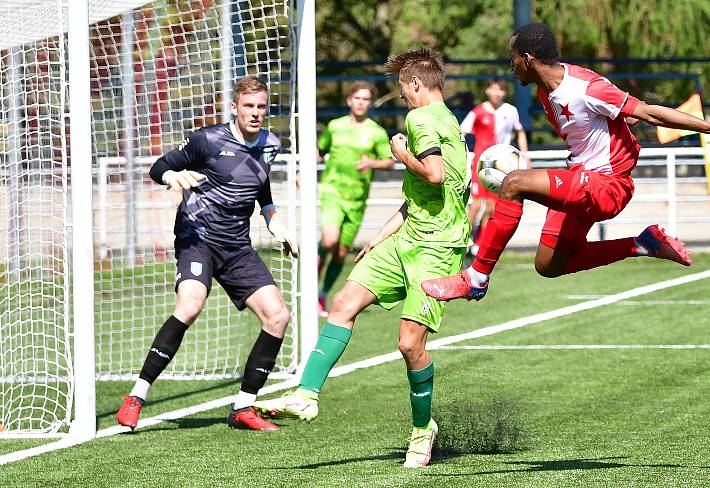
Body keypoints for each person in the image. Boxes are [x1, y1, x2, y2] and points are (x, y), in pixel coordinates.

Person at [422, 23, 710, 302]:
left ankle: (476, 278)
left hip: (607, 185)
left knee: (514, 183)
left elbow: (647, 113)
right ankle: (642, 243)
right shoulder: (544, 90)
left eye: (513, 59)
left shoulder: (586, 87)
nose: (511, 67)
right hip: (582, 178)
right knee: (548, 265)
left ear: (528, 58)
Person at [253, 47, 470, 468]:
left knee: (409, 344)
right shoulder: (450, 123)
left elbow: (434, 174)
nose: (404, 99)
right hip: (407, 237)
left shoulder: (421, 119)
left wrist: (399, 151)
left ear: (415, 85)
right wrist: (380, 235)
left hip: (437, 249)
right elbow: (424, 197)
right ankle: (306, 394)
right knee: (343, 302)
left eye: (404, 91)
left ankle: (423, 428)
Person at [114, 76, 298, 433]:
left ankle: (244, 407)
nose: (256, 113)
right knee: (190, 305)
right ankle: (136, 397)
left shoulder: (271, 144)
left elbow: (262, 190)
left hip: (237, 246)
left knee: (277, 316)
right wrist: (172, 178)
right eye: (249, 106)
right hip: (197, 237)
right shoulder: (208, 139)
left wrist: (277, 224)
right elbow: (159, 167)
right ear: (234, 106)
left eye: (261, 107)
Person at [317, 82, 395, 316]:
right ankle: (313, 279)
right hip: (332, 191)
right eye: (357, 98)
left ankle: (322, 295)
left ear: (370, 103)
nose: (361, 102)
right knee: (329, 241)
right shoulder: (335, 126)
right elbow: (320, 152)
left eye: (366, 99)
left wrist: (372, 163)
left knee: (341, 253)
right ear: (349, 100)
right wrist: (303, 172)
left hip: (357, 199)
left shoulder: (376, 132)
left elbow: (389, 162)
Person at [461, 78, 530, 256]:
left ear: (505, 93)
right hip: (482, 164)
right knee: (476, 206)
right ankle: (462, 241)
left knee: (491, 207)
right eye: (493, 89)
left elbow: (519, 131)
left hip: (502, 166)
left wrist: (525, 155)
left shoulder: (510, 110)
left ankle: (479, 245)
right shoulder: (478, 111)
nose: (497, 93)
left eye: (500, 90)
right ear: (487, 91)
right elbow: (461, 132)